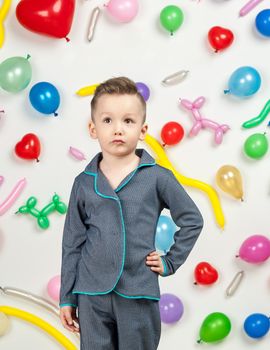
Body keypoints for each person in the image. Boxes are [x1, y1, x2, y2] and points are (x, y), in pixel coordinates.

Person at [59, 77, 204, 350]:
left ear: (143, 129)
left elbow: (192, 220)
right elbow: (72, 243)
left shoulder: (158, 177)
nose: (117, 129)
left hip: (138, 291)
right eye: (107, 121)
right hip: (91, 294)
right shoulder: (83, 182)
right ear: (92, 129)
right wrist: (67, 297)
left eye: (128, 121)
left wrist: (170, 261)